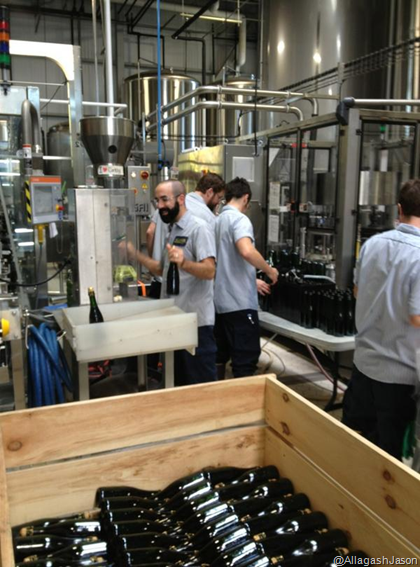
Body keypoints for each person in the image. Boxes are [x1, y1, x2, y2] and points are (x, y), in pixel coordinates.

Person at [342, 178, 420, 460]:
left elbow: (357, 291)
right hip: (399, 378)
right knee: (390, 462)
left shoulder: (372, 244)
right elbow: (416, 317)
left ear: (399, 209)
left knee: (357, 450)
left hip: (363, 366)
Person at [126, 180, 217, 386]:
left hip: (196, 325)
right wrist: (136, 255)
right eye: (157, 201)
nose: (160, 206)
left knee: (201, 387)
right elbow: (162, 270)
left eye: (165, 199)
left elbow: (210, 270)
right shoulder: (173, 230)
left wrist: (184, 263)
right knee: (177, 385)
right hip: (175, 322)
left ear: (181, 199)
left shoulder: (199, 229)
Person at [214, 177, 279, 379]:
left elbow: (225, 262)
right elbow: (246, 251)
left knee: (219, 358)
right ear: (246, 198)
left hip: (219, 304)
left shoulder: (217, 221)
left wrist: (252, 280)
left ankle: (218, 396)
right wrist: (269, 270)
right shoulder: (240, 220)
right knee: (245, 362)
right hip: (239, 305)